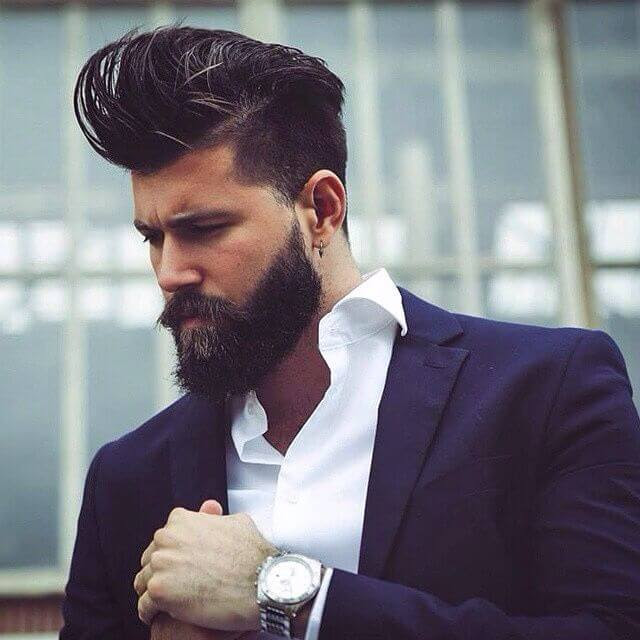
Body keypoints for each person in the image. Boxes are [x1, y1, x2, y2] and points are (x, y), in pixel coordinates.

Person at [61, 26, 640, 640]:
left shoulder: (547, 390)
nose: (169, 272)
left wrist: (287, 593)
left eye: (203, 229)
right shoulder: (126, 479)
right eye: (153, 238)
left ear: (322, 209)